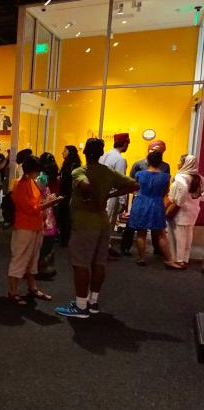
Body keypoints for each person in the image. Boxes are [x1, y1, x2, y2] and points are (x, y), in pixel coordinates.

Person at [55, 138, 139, 319]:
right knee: (99, 263)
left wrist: (87, 197)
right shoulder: (107, 172)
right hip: (102, 222)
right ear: (102, 153)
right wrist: (109, 194)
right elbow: (134, 184)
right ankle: (93, 302)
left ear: (85, 152)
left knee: (81, 264)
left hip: (85, 223)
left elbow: (84, 184)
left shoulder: (80, 170)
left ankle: (80, 305)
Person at [7, 157, 59, 304]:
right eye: (37, 171)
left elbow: (35, 204)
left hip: (35, 225)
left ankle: (32, 287)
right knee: (19, 258)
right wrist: (48, 203)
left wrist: (46, 201)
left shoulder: (31, 183)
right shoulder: (19, 184)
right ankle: (13, 291)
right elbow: (28, 208)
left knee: (33, 259)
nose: (38, 173)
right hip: (24, 226)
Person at [128, 150, 179, 268]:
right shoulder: (166, 177)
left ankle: (141, 258)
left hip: (141, 202)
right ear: (160, 162)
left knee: (141, 232)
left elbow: (134, 187)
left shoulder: (139, 174)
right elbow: (165, 192)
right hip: (156, 203)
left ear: (148, 160)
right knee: (161, 233)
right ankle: (168, 260)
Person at [121, 140, 171, 255]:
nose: (156, 151)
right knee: (133, 224)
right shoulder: (138, 164)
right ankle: (125, 246)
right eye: (154, 149)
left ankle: (156, 249)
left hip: (151, 198)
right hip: (141, 197)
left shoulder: (165, 166)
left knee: (153, 228)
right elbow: (131, 181)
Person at [168, 154, 201, 269]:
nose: (177, 163)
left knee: (178, 236)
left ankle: (178, 260)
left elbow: (177, 197)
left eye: (179, 161)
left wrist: (175, 203)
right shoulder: (200, 178)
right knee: (188, 235)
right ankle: (185, 259)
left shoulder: (180, 178)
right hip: (193, 211)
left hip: (180, 212)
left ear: (185, 163)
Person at [99, 133, 130, 255]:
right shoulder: (120, 159)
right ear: (125, 143)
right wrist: (123, 201)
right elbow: (120, 181)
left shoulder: (104, 155)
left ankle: (101, 246)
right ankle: (104, 248)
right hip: (112, 194)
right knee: (109, 222)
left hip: (100, 192)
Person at [57, 145, 82, 247]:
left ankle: (66, 239)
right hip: (65, 194)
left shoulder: (72, 165)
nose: (62, 153)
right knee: (64, 217)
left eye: (65, 151)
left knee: (67, 217)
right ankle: (64, 238)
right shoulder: (69, 165)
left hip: (69, 195)